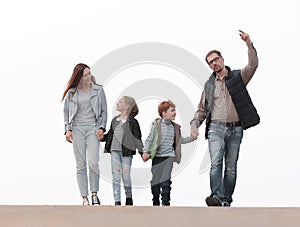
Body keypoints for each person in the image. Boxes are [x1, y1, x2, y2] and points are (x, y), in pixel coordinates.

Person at [190, 30, 260, 207]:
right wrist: (194, 125)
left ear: (222, 59)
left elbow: (253, 64)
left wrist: (248, 43)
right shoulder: (209, 84)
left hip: (236, 129)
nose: (214, 63)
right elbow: (201, 110)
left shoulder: (238, 77)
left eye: (215, 59)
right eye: (210, 62)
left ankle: (225, 200)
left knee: (230, 168)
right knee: (215, 163)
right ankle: (216, 196)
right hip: (216, 128)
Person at [62, 63, 107, 206]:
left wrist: (101, 127)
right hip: (77, 129)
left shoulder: (98, 90)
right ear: (79, 77)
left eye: (89, 73)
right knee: (80, 164)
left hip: (93, 128)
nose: (89, 76)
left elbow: (104, 112)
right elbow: (66, 112)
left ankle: (94, 194)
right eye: (85, 75)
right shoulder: (71, 93)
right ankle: (84, 198)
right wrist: (67, 129)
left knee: (93, 162)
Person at [142, 100, 196, 206]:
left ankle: (166, 203)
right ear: (164, 113)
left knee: (166, 179)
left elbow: (181, 140)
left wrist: (192, 138)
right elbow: (149, 139)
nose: (175, 112)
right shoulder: (156, 125)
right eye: (172, 110)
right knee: (155, 181)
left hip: (169, 157)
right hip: (157, 157)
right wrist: (145, 151)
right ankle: (155, 201)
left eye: (174, 110)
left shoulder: (175, 127)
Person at [101, 96, 143, 206]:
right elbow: (110, 135)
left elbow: (137, 139)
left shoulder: (133, 122)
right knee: (116, 177)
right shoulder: (115, 120)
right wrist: (101, 137)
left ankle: (128, 196)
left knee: (126, 176)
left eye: (120, 102)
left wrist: (143, 153)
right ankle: (117, 201)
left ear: (127, 106)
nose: (117, 103)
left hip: (126, 152)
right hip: (114, 151)